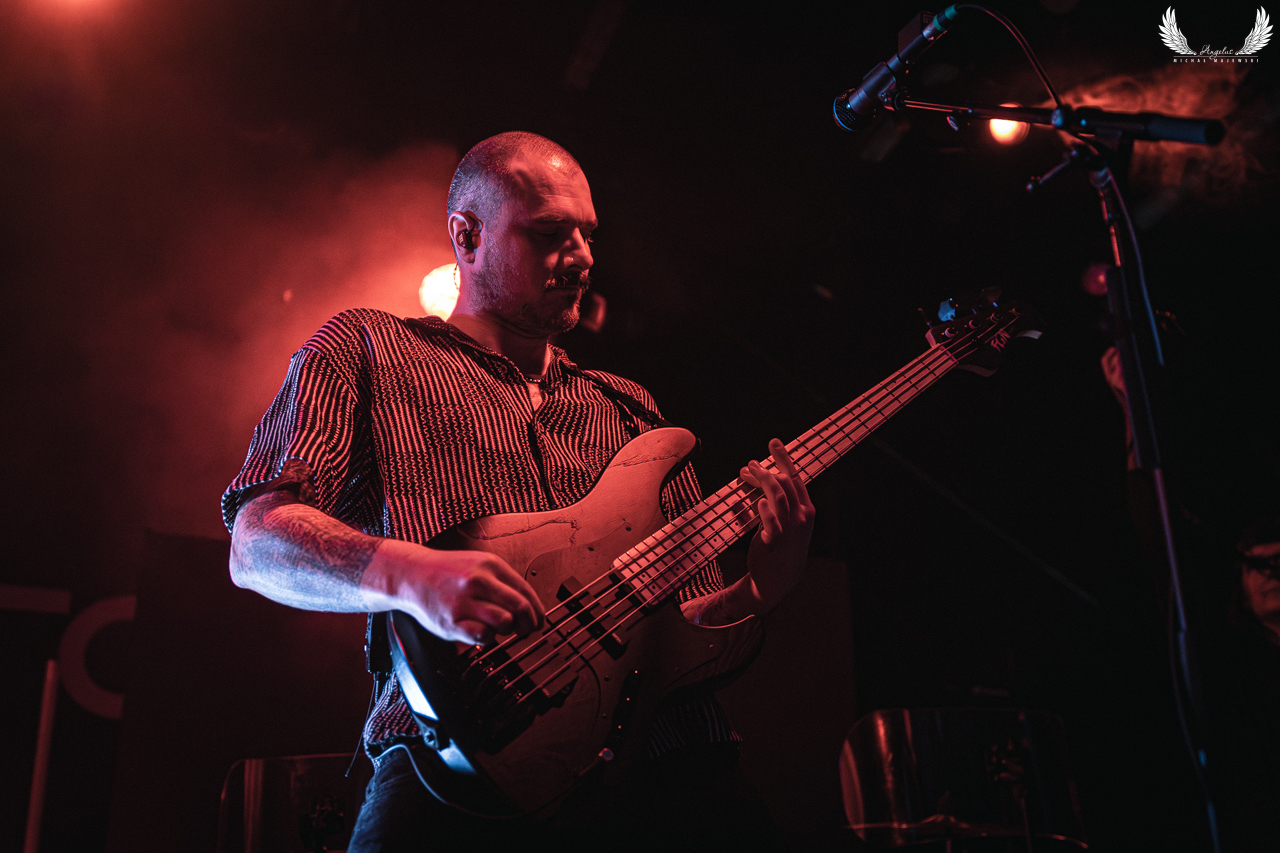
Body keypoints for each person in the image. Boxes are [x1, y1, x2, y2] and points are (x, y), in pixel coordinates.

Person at [222, 132, 814, 849]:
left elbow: (684, 629)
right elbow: (256, 542)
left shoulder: (629, 406)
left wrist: (760, 587)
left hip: (669, 757)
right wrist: (411, 574)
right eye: (548, 233)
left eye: (588, 234)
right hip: (460, 753)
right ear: (467, 236)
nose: (582, 256)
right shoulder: (366, 348)